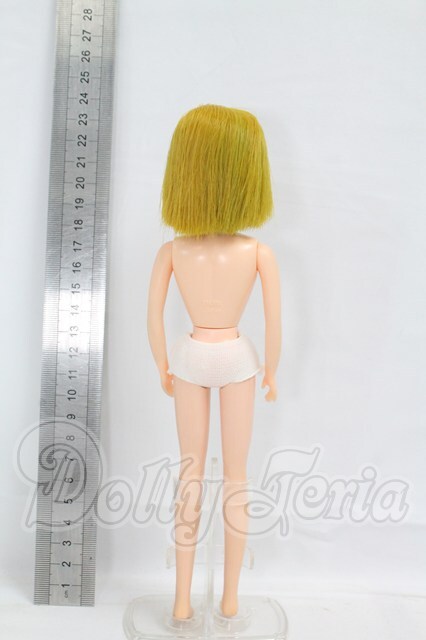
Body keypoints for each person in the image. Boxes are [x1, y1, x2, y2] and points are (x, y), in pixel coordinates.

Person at [147, 104, 281, 620]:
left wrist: (162, 364)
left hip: (189, 358)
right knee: (236, 478)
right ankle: (228, 599)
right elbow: (274, 322)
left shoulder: (174, 251)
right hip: (238, 359)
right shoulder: (257, 252)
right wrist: (271, 371)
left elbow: (153, 316)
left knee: (190, 475)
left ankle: (183, 602)